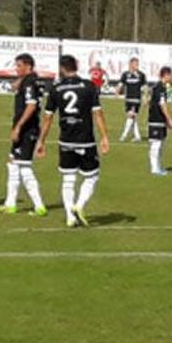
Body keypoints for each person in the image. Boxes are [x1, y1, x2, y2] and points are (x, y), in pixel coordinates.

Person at [37, 55, 111, 228]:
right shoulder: (89, 86)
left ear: (62, 68)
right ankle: (79, 205)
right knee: (92, 176)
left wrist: (41, 141)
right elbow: (97, 113)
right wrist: (105, 137)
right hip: (86, 139)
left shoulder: (56, 89)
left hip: (66, 140)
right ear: (76, 66)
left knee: (68, 179)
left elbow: (48, 118)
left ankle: (70, 216)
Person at [0, 53, 47, 216]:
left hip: (27, 130)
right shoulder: (32, 80)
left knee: (24, 168)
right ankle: (10, 204)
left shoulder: (29, 82)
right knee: (12, 164)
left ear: (28, 66)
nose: (16, 69)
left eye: (19, 66)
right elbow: (15, 86)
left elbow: (31, 106)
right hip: (26, 130)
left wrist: (18, 127)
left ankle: (39, 206)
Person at [148, 67, 172, 176]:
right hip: (156, 119)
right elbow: (162, 104)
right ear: (166, 75)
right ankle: (154, 168)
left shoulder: (160, 87)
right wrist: (169, 119)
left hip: (160, 120)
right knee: (156, 144)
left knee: (161, 144)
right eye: (171, 75)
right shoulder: (159, 88)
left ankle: (158, 167)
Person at [117, 57, 147, 142]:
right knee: (133, 117)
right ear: (130, 64)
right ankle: (137, 136)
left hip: (136, 99)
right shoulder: (125, 74)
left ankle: (124, 135)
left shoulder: (141, 75)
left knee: (130, 116)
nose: (137, 66)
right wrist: (117, 91)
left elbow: (145, 87)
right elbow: (121, 84)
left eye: (138, 64)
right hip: (128, 99)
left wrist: (145, 97)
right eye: (135, 64)